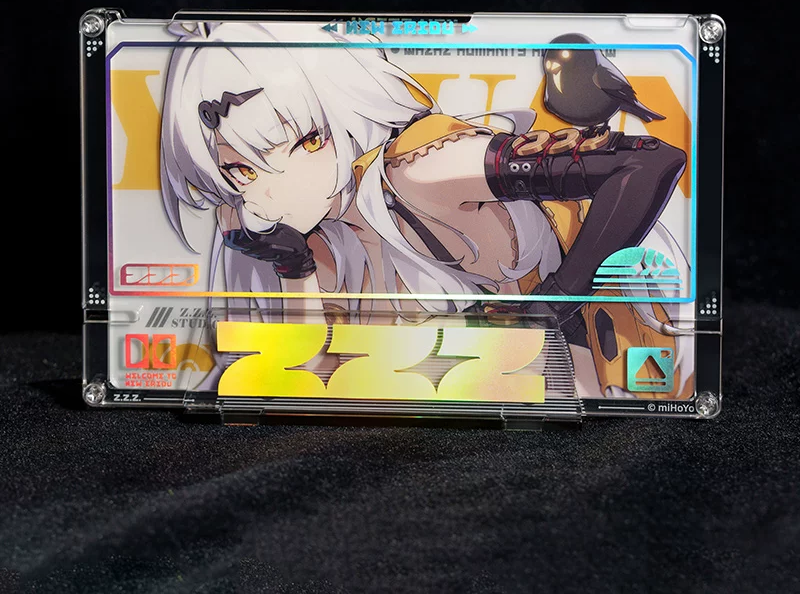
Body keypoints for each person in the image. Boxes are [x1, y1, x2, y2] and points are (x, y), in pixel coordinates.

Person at [160, 20, 693, 398]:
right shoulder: (295, 234)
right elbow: (305, 379)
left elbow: (646, 162)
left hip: (614, 370)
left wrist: (556, 300)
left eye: (286, 148)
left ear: (324, 133)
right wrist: (293, 268)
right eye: (238, 172)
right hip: (484, 405)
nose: (254, 194)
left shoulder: (423, 170)